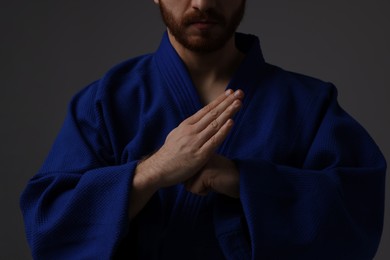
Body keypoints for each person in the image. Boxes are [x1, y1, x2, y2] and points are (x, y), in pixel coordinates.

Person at [20, 0, 387, 259]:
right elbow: (49, 226)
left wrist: (243, 180)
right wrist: (152, 172)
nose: (202, 2)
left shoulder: (309, 104)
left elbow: (356, 216)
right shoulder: (105, 100)